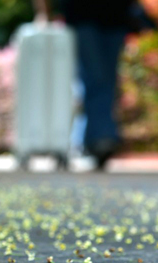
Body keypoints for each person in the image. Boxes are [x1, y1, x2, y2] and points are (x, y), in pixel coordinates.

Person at [33, 0, 138, 169]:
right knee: (95, 78)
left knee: (106, 82)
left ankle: (86, 140)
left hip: (116, 18)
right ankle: (100, 138)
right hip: (82, 17)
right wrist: (44, 12)